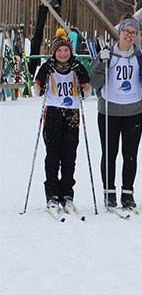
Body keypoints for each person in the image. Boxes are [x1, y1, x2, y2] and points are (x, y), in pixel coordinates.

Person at [90, 14, 142, 210]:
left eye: (133, 33)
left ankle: (127, 193)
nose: (129, 36)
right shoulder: (108, 54)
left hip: (133, 110)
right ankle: (109, 193)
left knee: (130, 155)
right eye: (126, 32)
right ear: (120, 33)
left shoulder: (139, 56)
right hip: (109, 110)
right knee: (109, 153)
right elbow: (94, 82)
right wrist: (101, 63)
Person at [34, 28, 90, 212]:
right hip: (53, 113)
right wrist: (42, 79)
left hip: (72, 113)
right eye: (59, 50)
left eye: (66, 50)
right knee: (52, 156)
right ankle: (52, 194)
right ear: (54, 52)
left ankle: (67, 194)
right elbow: (37, 90)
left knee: (69, 157)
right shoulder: (48, 67)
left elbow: (87, 89)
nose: (63, 54)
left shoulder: (76, 66)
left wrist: (82, 79)